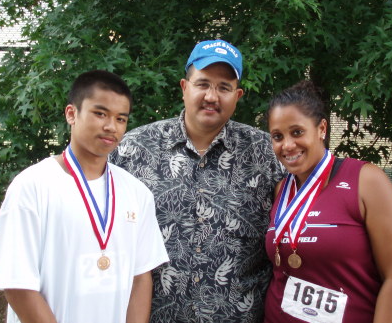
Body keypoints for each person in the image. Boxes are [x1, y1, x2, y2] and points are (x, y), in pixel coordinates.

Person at [110, 39, 284, 322]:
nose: (212, 96)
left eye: (224, 87)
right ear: (184, 87)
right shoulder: (131, 150)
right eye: (202, 84)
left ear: (237, 95)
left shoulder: (268, 154)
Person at [0, 70, 169, 323]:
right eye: (100, 113)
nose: (111, 126)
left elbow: (140, 277)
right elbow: (18, 284)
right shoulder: (32, 187)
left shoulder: (137, 193)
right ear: (72, 114)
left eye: (120, 118)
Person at [263, 80, 392, 323]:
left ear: (322, 129)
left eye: (297, 132)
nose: (287, 145)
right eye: (277, 136)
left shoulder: (365, 181)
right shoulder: (282, 189)